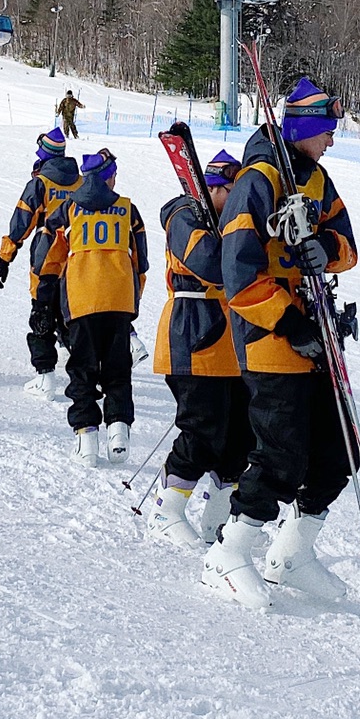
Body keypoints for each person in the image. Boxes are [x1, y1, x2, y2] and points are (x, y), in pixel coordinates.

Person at [202, 78, 357, 611]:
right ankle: (229, 550)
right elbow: (237, 270)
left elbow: (348, 245)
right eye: (327, 132)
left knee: (339, 451)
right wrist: (288, 323)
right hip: (274, 337)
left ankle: (292, 554)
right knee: (282, 453)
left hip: (319, 333)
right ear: (306, 128)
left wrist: (323, 250)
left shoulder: (316, 179)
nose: (331, 143)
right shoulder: (259, 178)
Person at [149, 150, 249, 550]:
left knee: (240, 435)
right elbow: (207, 262)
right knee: (202, 428)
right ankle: (166, 510)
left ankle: (219, 517)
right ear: (216, 187)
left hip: (231, 342)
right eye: (234, 192)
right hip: (191, 333)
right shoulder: (184, 214)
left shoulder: (226, 220)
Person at [43, 148, 147, 464]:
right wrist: (133, 301)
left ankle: (86, 440)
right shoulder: (128, 209)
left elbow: (49, 257)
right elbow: (140, 262)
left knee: (83, 370)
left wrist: (47, 301)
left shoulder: (69, 209)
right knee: (118, 369)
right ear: (108, 177)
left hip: (80, 300)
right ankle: (118, 434)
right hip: (118, 302)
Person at [0, 128, 81, 397]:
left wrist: (4, 258)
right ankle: (84, 374)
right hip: (76, 261)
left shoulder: (40, 183)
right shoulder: (80, 183)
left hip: (45, 260)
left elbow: (21, 223)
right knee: (72, 314)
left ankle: (45, 377)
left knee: (42, 312)